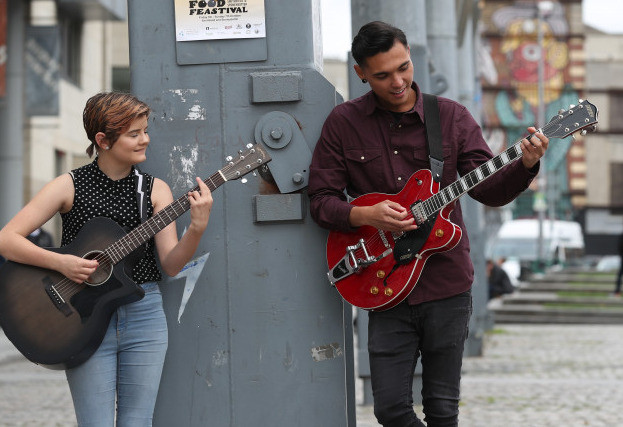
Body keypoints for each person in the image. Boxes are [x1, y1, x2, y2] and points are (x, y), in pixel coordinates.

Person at [307, 21, 549, 426]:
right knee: (389, 409)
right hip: (382, 284)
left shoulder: (451, 117)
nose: (398, 82)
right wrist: (364, 214)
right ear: (360, 73)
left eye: (404, 67)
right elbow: (320, 201)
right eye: (383, 75)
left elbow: (487, 191)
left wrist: (526, 163)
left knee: (442, 409)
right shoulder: (343, 123)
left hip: (446, 283)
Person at [0, 91, 213, 426]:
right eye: (134, 134)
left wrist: (196, 230)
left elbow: (171, 264)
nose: (145, 139)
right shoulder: (68, 185)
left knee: (137, 422)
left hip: (144, 317)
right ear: (103, 140)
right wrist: (61, 263)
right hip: (79, 316)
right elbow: (7, 240)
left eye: (145, 130)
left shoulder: (155, 190)